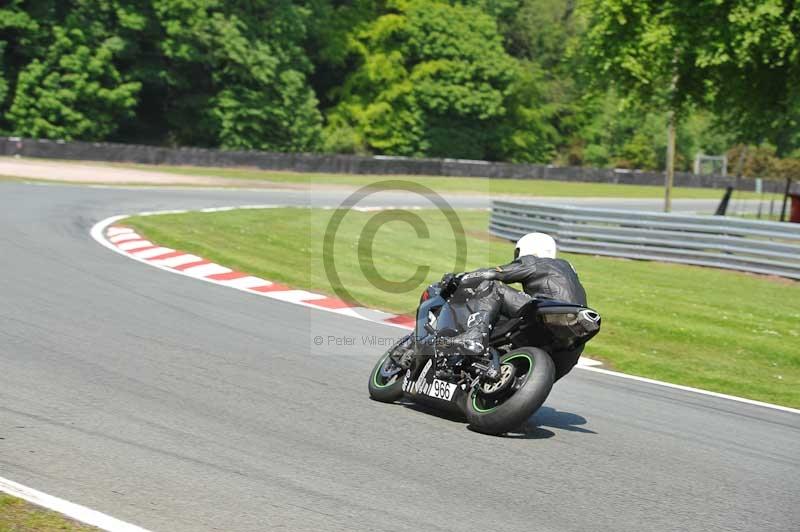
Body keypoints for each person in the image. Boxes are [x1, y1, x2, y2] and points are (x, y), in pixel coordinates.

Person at [441, 232, 587, 380]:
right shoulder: (569, 272)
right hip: (571, 346)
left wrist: (460, 278)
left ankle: (475, 336)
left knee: (493, 286)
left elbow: (493, 274)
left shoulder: (535, 262)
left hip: (546, 312)